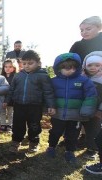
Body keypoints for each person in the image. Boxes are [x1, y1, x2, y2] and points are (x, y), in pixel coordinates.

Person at [46, 53, 97, 163]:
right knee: (55, 131)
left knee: (73, 134)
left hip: (76, 115)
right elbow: (48, 95)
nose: (69, 70)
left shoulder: (84, 80)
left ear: (77, 67)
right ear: (58, 68)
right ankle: (51, 147)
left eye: (73, 67)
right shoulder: (53, 81)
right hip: (57, 114)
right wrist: (49, 106)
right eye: (65, 68)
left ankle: (70, 151)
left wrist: (86, 109)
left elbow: (91, 95)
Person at [3, 50, 56, 153]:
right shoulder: (18, 75)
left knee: (34, 125)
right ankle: (15, 142)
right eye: (24, 63)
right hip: (19, 105)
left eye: (30, 63)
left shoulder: (43, 75)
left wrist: (51, 106)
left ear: (38, 63)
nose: (27, 66)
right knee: (18, 125)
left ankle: (33, 142)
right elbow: (11, 90)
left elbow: (48, 92)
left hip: (35, 106)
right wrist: (7, 100)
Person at [69, 16, 102, 150]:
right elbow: (70, 62)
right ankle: (73, 138)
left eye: (88, 29)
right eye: (81, 30)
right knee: (78, 109)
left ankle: (90, 141)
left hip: (99, 84)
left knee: (95, 112)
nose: (84, 32)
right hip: (81, 81)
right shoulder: (78, 45)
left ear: (99, 27)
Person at [81, 51, 102, 161]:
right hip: (81, 109)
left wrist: (100, 111)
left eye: (97, 65)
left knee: (93, 130)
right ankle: (75, 142)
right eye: (89, 65)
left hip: (96, 111)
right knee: (77, 127)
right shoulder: (83, 78)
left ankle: (92, 150)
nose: (93, 68)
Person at [0, 59, 19, 133]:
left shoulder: (16, 77)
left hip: (12, 98)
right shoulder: (1, 77)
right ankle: (3, 124)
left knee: (10, 112)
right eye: (6, 66)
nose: (7, 68)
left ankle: (10, 124)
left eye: (10, 67)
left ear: (14, 67)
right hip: (2, 98)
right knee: (2, 112)